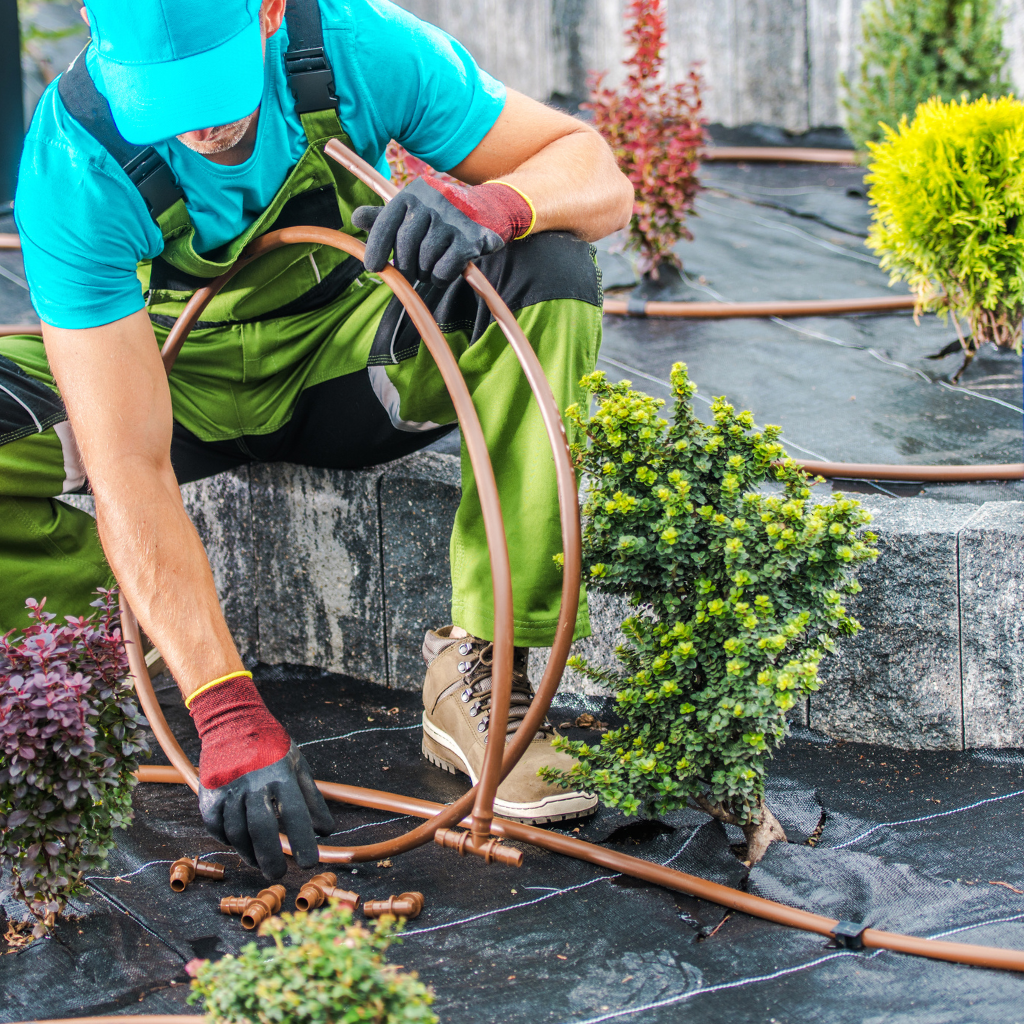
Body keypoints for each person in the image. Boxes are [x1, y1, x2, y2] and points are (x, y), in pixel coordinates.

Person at [2, 0, 633, 879]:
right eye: (164, 102)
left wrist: (501, 202)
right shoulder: (73, 161)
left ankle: (482, 671)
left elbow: (595, 170)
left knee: (550, 271)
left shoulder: (357, 46)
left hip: (353, 367)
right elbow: (127, 461)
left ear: (268, 11)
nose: (198, 127)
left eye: (214, 89)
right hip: (172, 386)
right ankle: (83, 649)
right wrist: (223, 706)